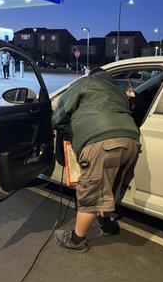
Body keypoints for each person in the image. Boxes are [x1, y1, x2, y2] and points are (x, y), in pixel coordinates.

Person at [52, 67, 141, 252]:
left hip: (101, 142)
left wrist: (60, 126)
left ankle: (76, 240)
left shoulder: (84, 82)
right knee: (110, 187)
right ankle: (106, 223)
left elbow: (60, 112)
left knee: (91, 194)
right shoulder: (118, 89)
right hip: (132, 142)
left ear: (92, 74)